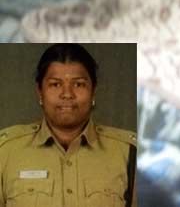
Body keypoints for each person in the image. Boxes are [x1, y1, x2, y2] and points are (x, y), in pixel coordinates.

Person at [0, 44, 137, 207]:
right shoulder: (6, 151)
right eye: (55, 84)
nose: (67, 94)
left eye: (78, 84)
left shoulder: (128, 153)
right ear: (40, 91)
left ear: (93, 90)